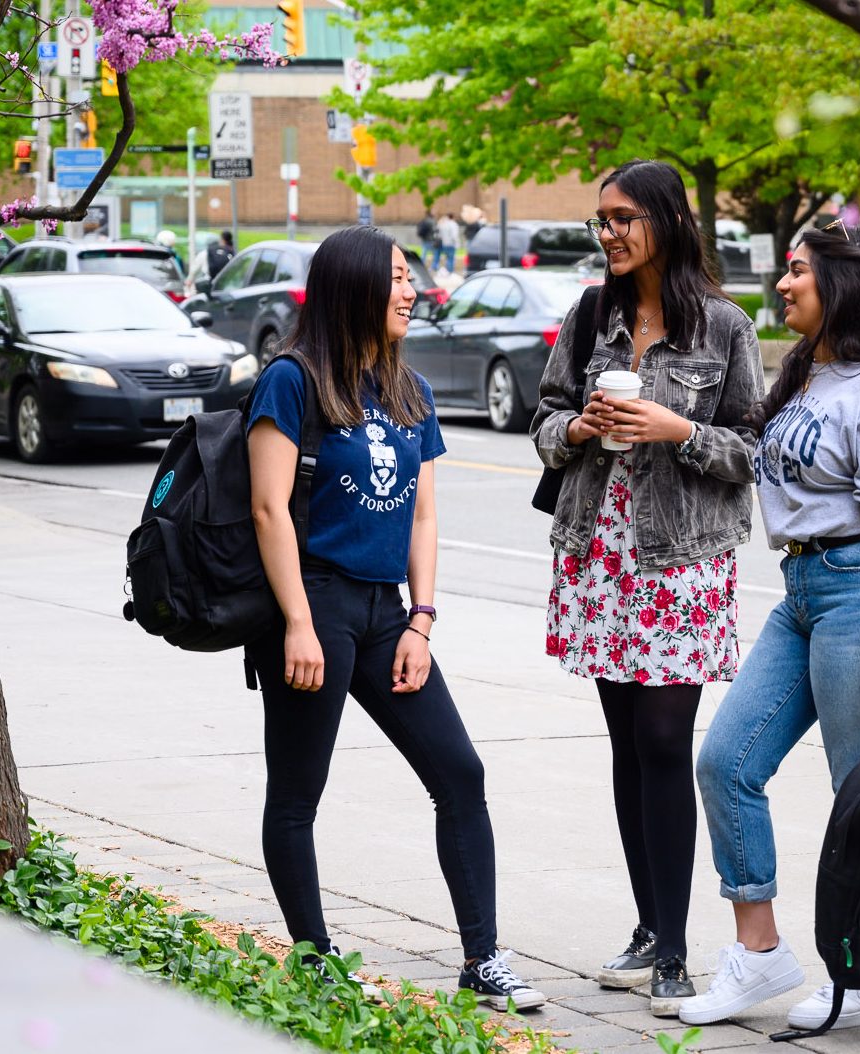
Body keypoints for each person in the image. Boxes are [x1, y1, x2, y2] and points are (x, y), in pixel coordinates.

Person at [244, 225, 545, 1013]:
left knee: (459, 775)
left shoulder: (407, 389)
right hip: (313, 606)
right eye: (398, 278)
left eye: (412, 278)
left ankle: (482, 959)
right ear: (352, 288)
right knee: (297, 795)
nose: (412, 292)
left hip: (386, 616)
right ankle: (313, 958)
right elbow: (270, 509)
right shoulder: (293, 379)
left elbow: (420, 517)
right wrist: (299, 625)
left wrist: (422, 621)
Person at [677, 223, 860, 1033]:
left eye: (796, 270)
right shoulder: (805, 374)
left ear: (841, 283)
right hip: (803, 590)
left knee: (858, 791)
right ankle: (759, 957)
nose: (781, 281)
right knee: (726, 762)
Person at [530, 158, 764, 1018]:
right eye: (602, 220)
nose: (610, 233)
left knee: (667, 742)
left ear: (666, 219)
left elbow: (752, 449)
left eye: (624, 217)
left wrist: (678, 430)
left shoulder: (726, 327)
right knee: (628, 746)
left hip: (681, 562)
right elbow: (543, 421)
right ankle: (646, 927)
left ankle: (674, 950)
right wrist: (579, 427)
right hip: (597, 553)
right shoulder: (589, 315)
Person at [185, 231, 236, 297]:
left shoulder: (206, 252)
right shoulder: (231, 252)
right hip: (227, 286)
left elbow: (194, 269)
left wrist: (189, 281)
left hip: (208, 285)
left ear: (221, 240)